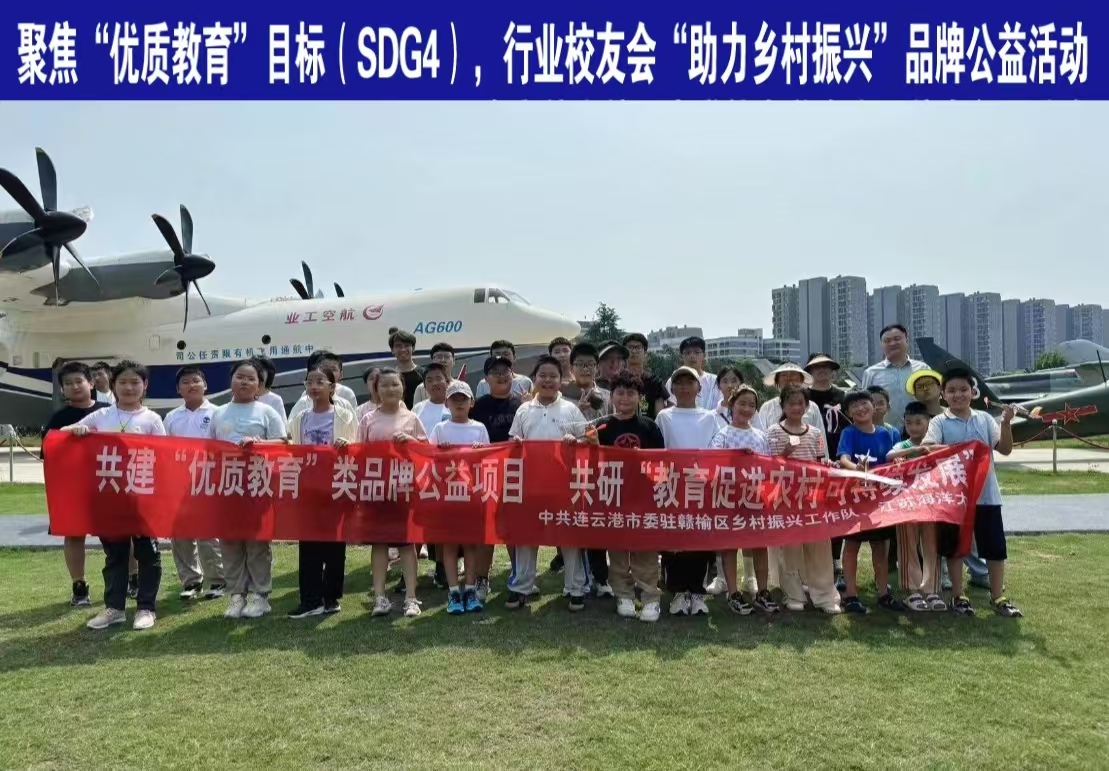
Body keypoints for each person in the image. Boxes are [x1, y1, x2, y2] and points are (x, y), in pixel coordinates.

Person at [62, 360, 166, 631]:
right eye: (123, 382)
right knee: (115, 555)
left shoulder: (152, 419)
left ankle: (146, 608)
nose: (129, 388)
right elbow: (62, 435)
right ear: (112, 385)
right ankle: (115, 609)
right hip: (110, 499)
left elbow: (164, 457)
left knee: (147, 553)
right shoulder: (102, 416)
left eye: (135, 382)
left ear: (145, 386)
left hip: (142, 499)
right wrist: (78, 430)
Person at [923, 368, 1022, 617]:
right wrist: (961, 449)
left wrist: (1006, 423)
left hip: (987, 495)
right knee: (956, 548)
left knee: (995, 548)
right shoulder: (939, 422)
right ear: (943, 395)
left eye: (963, 390)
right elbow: (928, 448)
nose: (958, 395)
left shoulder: (985, 419)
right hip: (955, 498)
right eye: (951, 390)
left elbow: (1005, 449)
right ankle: (959, 596)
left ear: (973, 392)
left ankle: (998, 597)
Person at [505, 355, 586, 610]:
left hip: (565, 485)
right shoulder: (523, 410)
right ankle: (521, 587)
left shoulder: (571, 409)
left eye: (553, 376)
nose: (548, 380)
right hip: (531, 485)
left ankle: (575, 588)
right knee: (526, 536)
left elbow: (587, 442)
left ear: (561, 381)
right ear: (534, 379)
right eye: (543, 376)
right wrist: (516, 444)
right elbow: (512, 443)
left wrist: (575, 442)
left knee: (569, 536)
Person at [209, 359, 288, 620]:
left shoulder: (267, 411)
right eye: (240, 377)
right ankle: (236, 595)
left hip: (257, 485)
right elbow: (209, 448)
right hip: (227, 485)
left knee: (257, 543)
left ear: (259, 385)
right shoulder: (219, 412)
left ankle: (260, 595)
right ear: (231, 380)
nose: (244, 382)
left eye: (251, 378)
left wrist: (259, 444)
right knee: (230, 542)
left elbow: (284, 443)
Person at [585, 371, 664, 622]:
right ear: (612, 396)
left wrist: (643, 459)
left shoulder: (649, 426)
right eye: (620, 393)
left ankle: (650, 597)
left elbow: (661, 464)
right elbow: (592, 464)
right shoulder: (601, 427)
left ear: (640, 397)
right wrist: (593, 445)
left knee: (645, 549)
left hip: (643, 497)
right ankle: (624, 595)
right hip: (614, 496)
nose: (625, 398)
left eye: (631, 393)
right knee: (617, 549)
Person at [286, 363, 359, 618]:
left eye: (320, 382)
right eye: (310, 382)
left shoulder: (344, 415)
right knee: (309, 545)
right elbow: (292, 447)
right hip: (309, 488)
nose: (314, 386)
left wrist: (347, 445)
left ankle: (332, 597)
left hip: (337, 485)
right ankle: (311, 599)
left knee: (335, 544)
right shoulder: (300, 418)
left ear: (332, 387)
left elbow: (357, 446)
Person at [906, 368, 988, 590]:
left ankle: (979, 571)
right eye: (920, 386)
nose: (925, 389)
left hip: (961, 483)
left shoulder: (954, 413)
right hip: (931, 485)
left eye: (929, 384)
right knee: (937, 532)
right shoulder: (913, 416)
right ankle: (941, 573)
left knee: (967, 530)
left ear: (939, 389)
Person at [765, 385, 841, 614]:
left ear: (807, 406)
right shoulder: (774, 432)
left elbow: (821, 460)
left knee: (819, 546)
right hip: (786, 497)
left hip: (813, 497)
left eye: (800, 403)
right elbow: (769, 466)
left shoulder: (815, 433)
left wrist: (828, 464)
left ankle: (824, 594)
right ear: (783, 406)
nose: (796, 407)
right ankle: (793, 593)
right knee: (789, 546)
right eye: (791, 403)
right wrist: (785, 453)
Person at [358, 367, 428, 617]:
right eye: (384, 385)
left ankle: (411, 598)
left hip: (404, 488)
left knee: (407, 544)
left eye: (395, 384)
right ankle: (380, 598)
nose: (390, 389)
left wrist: (411, 442)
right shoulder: (368, 419)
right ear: (376, 389)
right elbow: (360, 453)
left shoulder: (412, 418)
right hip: (376, 489)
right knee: (379, 543)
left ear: (403, 388)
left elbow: (426, 451)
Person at [41, 361, 112, 607]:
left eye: (79, 381)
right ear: (62, 389)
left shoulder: (109, 412)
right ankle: (79, 586)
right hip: (74, 488)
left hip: (108, 484)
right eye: (68, 383)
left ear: (91, 383)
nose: (74, 386)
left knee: (120, 533)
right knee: (73, 534)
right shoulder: (58, 418)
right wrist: (67, 434)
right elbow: (48, 453)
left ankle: (131, 579)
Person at [655, 365, 723, 617]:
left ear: (699, 388)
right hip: (672, 485)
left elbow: (719, 449)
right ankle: (678, 592)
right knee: (674, 539)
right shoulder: (664, 417)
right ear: (672, 389)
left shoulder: (710, 417)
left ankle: (697, 591)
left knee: (699, 537)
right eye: (679, 383)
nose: (684, 388)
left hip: (700, 486)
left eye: (689, 383)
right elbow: (658, 450)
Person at [709, 384, 779, 615]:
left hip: (756, 499)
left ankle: (762, 592)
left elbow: (769, 468)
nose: (747, 409)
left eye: (751, 405)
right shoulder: (723, 435)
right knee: (730, 546)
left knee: (759, 545)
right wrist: (737, 460)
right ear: (732, 405)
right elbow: (713, 465)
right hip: (730, 499)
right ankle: (733, 593)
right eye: (742, 403)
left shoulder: (760, 436)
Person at [837, 390, 905, 615]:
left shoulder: (888, 434)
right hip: (855, 498)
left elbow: (895, 458)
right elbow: (843, 458)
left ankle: (883, 593)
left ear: (873, 407)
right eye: (854, 406)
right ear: (848, 413)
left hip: (880, 500)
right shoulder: (849, 432)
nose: (860, 408)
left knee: (880, 546)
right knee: (851, 546)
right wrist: (856, 468)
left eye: (864, 403)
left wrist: (900, 461)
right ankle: (851, 595)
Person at [161, 366, 226, 601]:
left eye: (196, 381)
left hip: (208, 481)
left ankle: (217, 580)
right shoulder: (171, 417)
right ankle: (191, 581)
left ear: (205, 385)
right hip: (179, 482)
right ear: (178, 389)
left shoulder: (218, 413)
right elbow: (164, 450)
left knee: (208, 534)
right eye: (186, 382)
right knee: (180, 534)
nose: (191, 385)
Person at [428, 380, 490, 615]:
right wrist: (439, 451)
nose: (459, 403)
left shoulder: (479, 428)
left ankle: (470, 589)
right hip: (447, 496)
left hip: (472, 495)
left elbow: (490, 460)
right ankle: (454, 591)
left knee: (470, 544)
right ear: (447, 403)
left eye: (464, 398)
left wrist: (480, 451)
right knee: (450, 544)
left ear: (472, 403)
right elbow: (428, 459)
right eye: (455, 399)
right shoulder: (440, 429)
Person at [470, 354, 524, 598]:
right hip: (486, 474)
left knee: (514, 528)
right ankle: (482, 578)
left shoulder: (523, 406)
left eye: (506, 372)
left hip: (516, 474)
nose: (502, 376)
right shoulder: (478, 407)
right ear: (486, 379)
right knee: (486, 529)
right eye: (496, 372)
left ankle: (519, 575)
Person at [887, 401, 946, 611]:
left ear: (929, 422)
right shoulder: (903, 446)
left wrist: (929, 449)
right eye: (909, 423)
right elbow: (889, 455)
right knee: (908, 546)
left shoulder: (936, 445)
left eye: (919, 422)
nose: (914, 427)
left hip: (931, 504)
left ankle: (931, 590)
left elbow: (951, 451)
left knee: (932, 546)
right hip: (907, 504)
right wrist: (915, 450)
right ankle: (912, 591)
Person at [805, 353, 850, 585]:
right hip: (811, 460)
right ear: (809, 371)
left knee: (837, 510)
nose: (821, 371)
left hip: (839, 458)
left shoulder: (843, 396)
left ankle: (835, 560)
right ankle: (813, 562)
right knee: (814, 510)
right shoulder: (804, 396)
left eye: (826, 367)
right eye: (816, 367)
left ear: (833, 370)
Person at [860, 323, 928, 428]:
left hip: (918, 431)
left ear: (907, 341)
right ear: (882, 345)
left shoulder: (922, 369)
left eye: (897, 339)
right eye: (887, 341)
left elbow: (932, 400)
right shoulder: (871, 373)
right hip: (884, 431)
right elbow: (864, 404)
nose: (892, 343)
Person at [288, 350, 358, 421]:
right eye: (326, 369)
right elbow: (292, 424)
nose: (330, 373)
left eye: (333, 369)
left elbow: (353, 424)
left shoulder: (346, 397)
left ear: (341, 375)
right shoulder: (305, 399)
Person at [759, 362, 824, 437]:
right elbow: (760, 437)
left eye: (793, 374)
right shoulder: (767, 407)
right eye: (784, 375)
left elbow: (820, 437)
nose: (788, 378)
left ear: (801, 379)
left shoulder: (812, 407)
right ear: (777, 381)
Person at [621, 333, 669, 419]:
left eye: (638, 347)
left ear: (645, 352)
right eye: (630, 347)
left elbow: (659, 416)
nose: (634, 351)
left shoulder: (655, 382)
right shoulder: (618, 380)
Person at [664, 337, 718, 410]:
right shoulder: (673, 381)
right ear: (681, 357)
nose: (692, 356)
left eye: (697, 352)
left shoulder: (715, 381)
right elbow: (671, 409)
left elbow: (719, 408)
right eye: (687, 353)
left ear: (704, 355)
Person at [412, 362, 452, 435]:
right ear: (425, 386)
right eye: (429, 380)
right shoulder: (417, 409)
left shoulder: (455, 407)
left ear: (447, 381)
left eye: (438, 378)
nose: (434, 383)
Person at [388, 329, 424, 408]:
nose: (403, 349)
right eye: (398, 346)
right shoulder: (389, 376)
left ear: (413, 348)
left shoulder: (423, 374)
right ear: (392, 350)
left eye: (407, 345)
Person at [251, 354, 288, 427]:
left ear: (269, 374)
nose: (257, 374)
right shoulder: (242, 397)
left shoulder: (275, 400)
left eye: (261, 371)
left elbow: (282, 427)